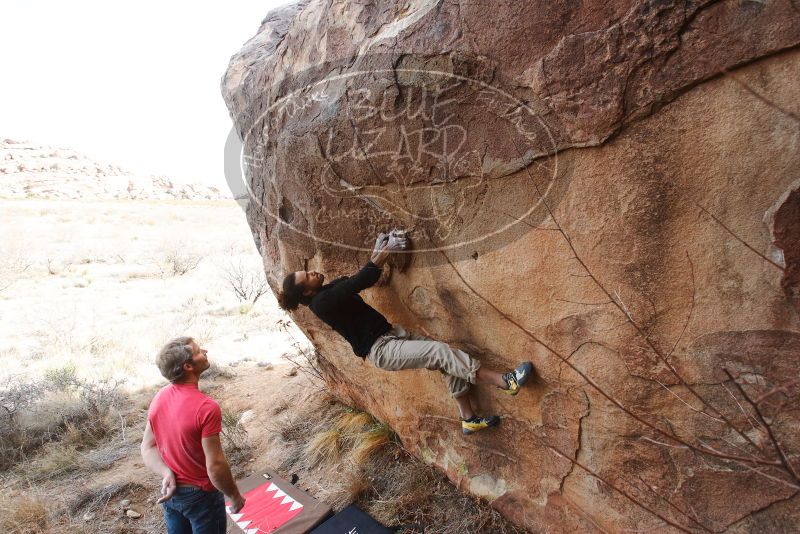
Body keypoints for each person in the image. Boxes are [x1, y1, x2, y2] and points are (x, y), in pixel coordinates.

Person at [277, 232, 534, 435]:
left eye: (307, 270)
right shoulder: (321, 304)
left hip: (392, 336)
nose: (312, 272)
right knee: (439, 352)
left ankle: (469, 419)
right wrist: (385, 252)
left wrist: (379, 250)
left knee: (445, 360)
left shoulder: (325, 292)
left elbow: (357, 278)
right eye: (307, 277)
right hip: (382, 350)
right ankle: (505, 381)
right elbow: (360, 282)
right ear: (307, 293)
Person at [140, 337, 246, 533]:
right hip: (201, 495)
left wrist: (166, 473)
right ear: (188, 366)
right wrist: (234, 495)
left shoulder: (160, 396)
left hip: (172, 494)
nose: (205, 351)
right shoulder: (206, 408)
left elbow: (147, 447)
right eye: (198, 351)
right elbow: (215, 465)